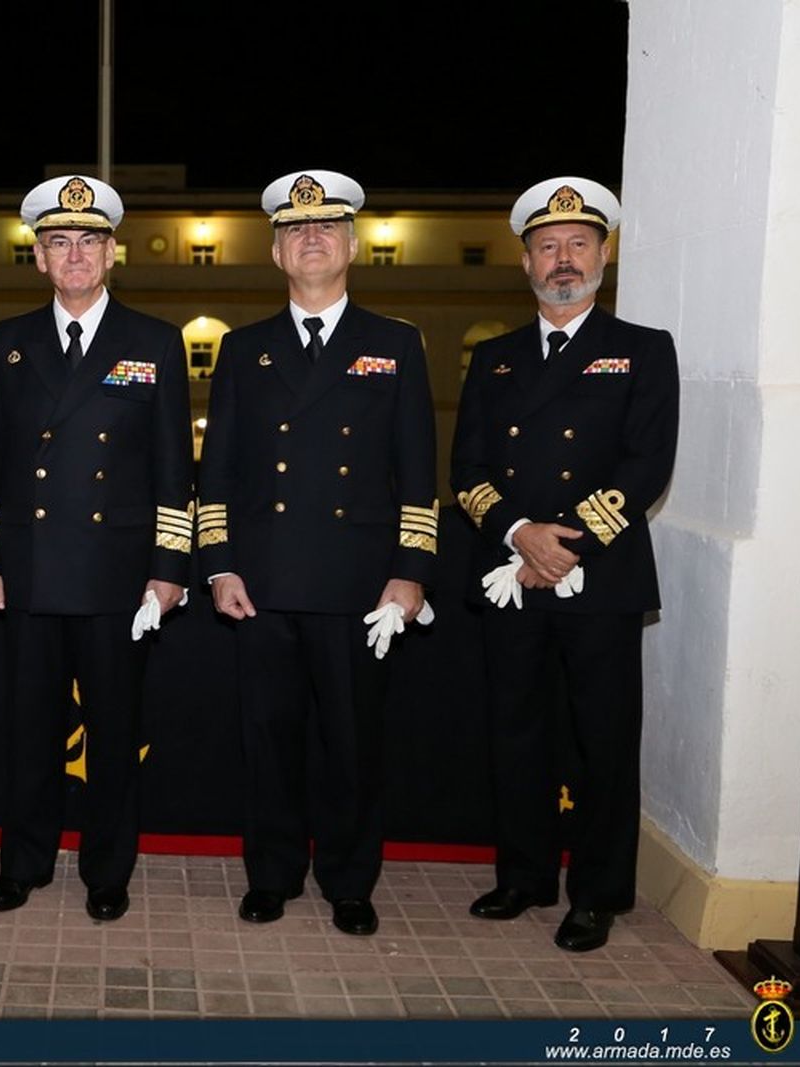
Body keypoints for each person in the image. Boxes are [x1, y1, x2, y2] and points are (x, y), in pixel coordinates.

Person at [195, 170, 437, 935]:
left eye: (327, 227)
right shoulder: (243, 349)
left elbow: (420, 473)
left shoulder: (395, 344)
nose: (311, 237)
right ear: (275, 251)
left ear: (353, 245)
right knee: (267, 739)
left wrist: (410, 573)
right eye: (297, 230)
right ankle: (271, 873)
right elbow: (219, 472)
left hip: (358, 585)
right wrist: (220, 564)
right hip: (262, 580)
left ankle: (349, 879)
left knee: (352, 742)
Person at [452, 177, 678, 952]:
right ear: (524, 262)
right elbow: (468, 471)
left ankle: (598, 891)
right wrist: (520, 534)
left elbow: (647, 463)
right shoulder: (496, 358)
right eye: (547, 246)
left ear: (604, 255)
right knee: (516, 730)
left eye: (579, 243)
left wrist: (564, 544)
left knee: (601, 739)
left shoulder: (643, 350)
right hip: (513, 577)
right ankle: (524, 874)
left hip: (601, 578)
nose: (563, 258)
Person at [0, 175, 193, 922]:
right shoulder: (8, 343)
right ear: (37, 258)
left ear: (112, 253)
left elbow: (173, 470)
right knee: (27, 729)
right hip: (29, 573)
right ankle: (23, 863)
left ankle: (107, 869)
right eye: (58, 242)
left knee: (114, 731)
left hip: (117, 578)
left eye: (88, 240)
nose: (74, 254)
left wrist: (168, 570)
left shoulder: (155, 341)